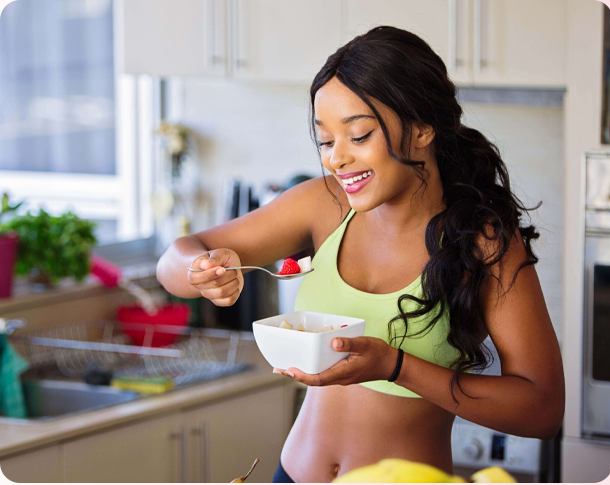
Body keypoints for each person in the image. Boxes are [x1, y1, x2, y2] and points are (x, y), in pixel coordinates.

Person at [156, 26, 565, 483]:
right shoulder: (322, 204)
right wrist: (199, 271)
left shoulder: (482, 242)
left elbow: (542, 409)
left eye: (359, 135)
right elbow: (174, 259)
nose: (336, 159)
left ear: (423, 128)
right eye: (327, 141)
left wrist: (395, 366)